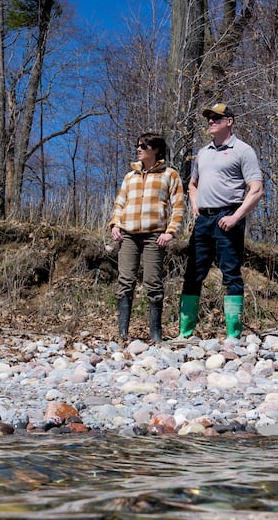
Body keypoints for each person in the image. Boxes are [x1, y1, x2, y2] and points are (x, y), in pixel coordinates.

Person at [179, 103, 263, 339]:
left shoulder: (243, 150)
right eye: (209, 118)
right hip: (203, 221)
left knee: (231, 274)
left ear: (229, 121)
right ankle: (185, 334)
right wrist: (195, 205)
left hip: (228, 217)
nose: (211, 122)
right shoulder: (203, 152)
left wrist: (236, 217)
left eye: (216, 118)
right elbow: (192, 185)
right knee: (193, 273)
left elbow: (256, 189)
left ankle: (233, 337)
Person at [109, 132, 185, 342]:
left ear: (156, 150)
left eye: (144, 145)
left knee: (153, 282)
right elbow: (120, 202)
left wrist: (171, 232)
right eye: (138, 145)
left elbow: (178, 205)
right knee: (125, 280)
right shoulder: (129, 176)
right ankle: (123, 334)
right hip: (128, 235)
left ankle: (155, 334)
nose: (139, 149)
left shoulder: (170, 174)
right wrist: (115, 224)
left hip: (154, 236)